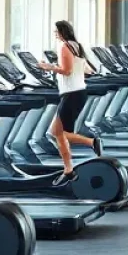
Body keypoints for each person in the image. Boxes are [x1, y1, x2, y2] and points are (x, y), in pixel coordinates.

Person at [36, 20, 102, 185]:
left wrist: (48, 67)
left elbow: (67, 70)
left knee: (61, 133)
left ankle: (92, 142)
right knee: (56, 133)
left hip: (72, 94)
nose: (55, 34)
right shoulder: (76, 45)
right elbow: (88, 69)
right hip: (77, 92)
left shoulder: (64, 46)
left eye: (56, 31)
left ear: (62, 31)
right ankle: (68, 170)